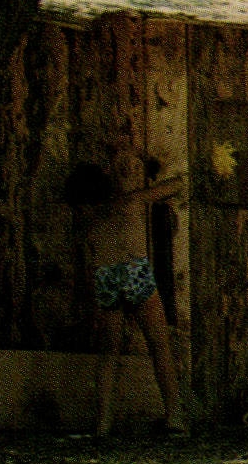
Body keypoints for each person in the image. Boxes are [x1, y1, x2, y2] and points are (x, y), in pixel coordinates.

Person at [63, 160, 187, 437]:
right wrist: (146, 190)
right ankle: (175, 417)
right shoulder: (128, 203)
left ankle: (103, 423)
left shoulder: (88, 219)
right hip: (134, 270)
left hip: (106, 275)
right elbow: (178, 185)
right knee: (160, 347)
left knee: (109, 354)